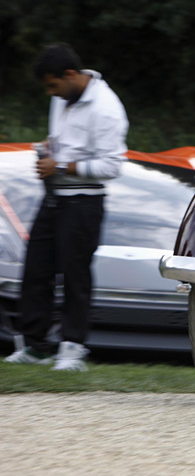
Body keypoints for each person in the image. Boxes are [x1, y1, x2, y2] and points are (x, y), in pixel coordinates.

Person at [4, 44, 128, 371]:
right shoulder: (64, 98)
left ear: (70, 75)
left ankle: (73, 348)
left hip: (85, 202)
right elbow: (64, 143)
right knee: (36, 270)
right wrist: (48, 147)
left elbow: (112, 166)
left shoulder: (106, 108)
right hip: (55, 198)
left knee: (74, 275)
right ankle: (35, 346)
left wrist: (59, 166)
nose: (51, 94)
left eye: (53, 85)